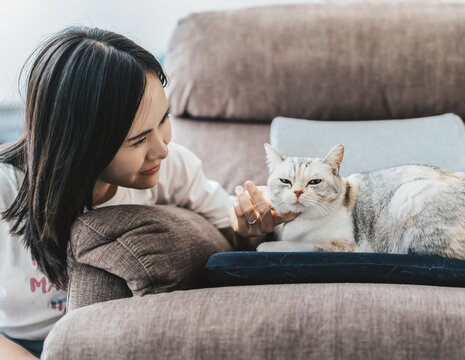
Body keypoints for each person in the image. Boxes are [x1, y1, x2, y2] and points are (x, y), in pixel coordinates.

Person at [0, 26, 295, 359]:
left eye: (164, 119)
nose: (162, 149)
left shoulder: (173, 167)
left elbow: (227, 231)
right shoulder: (5, 189)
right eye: (138, 141)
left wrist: (247, 228)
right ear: (79, 147)